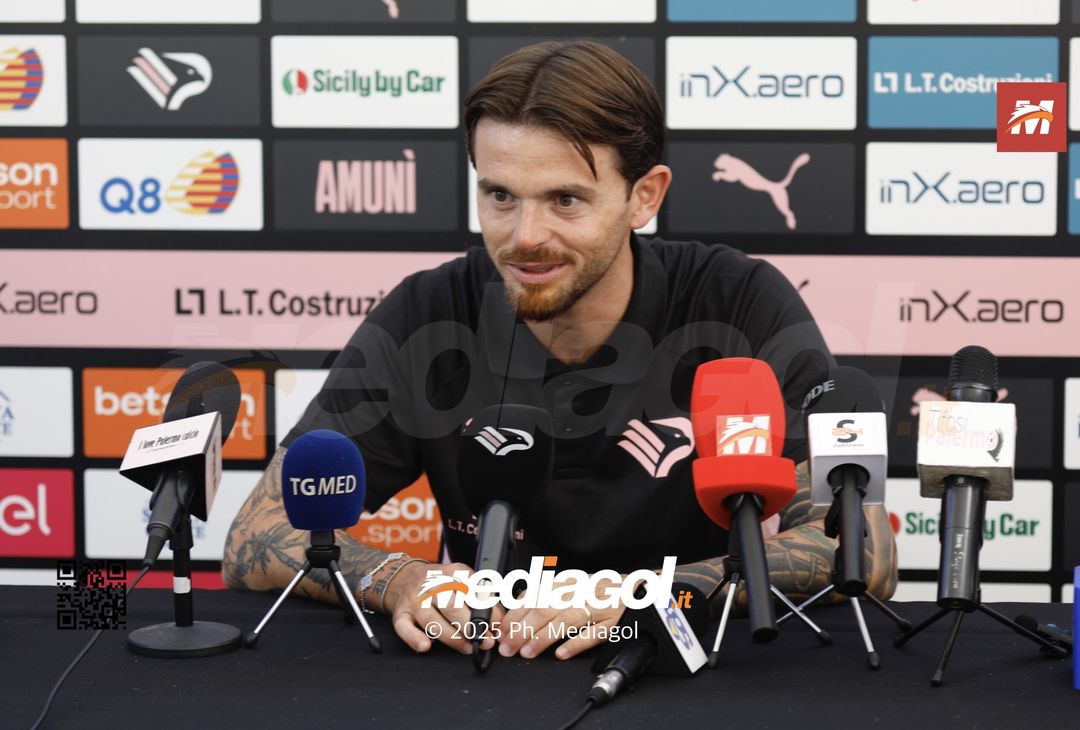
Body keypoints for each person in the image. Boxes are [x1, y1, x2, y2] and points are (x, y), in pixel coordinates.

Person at [222, 40, 897, 661]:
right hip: (478, 676)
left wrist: (645, 600)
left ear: (644, 196)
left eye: (565, 200)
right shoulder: (429, 312)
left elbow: (861, 550)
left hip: (682, 674)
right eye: (499, 196)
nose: (525, 235)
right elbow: (255, 536)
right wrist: (396, 577)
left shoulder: (740, 301)